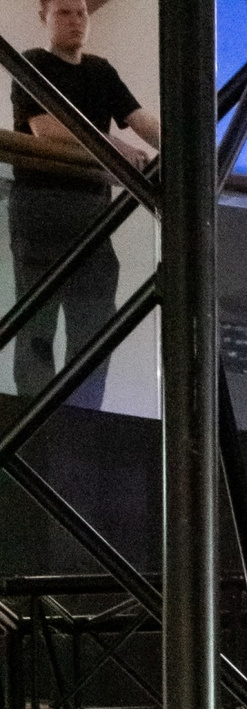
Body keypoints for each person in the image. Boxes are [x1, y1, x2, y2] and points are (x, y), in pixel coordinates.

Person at [7, 0, 158, 411]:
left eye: (82, 13)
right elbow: (45, 130)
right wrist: (112, 144)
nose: (76, 21)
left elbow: (141, 120)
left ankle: (84, 415)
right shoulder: (32, 63)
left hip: (93, 215)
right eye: (64, 13)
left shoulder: (100, 70)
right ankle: (34, 418)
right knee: (36, 322)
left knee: (94, 324)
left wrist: (189, 148)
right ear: (44, 17)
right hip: (40, 211)